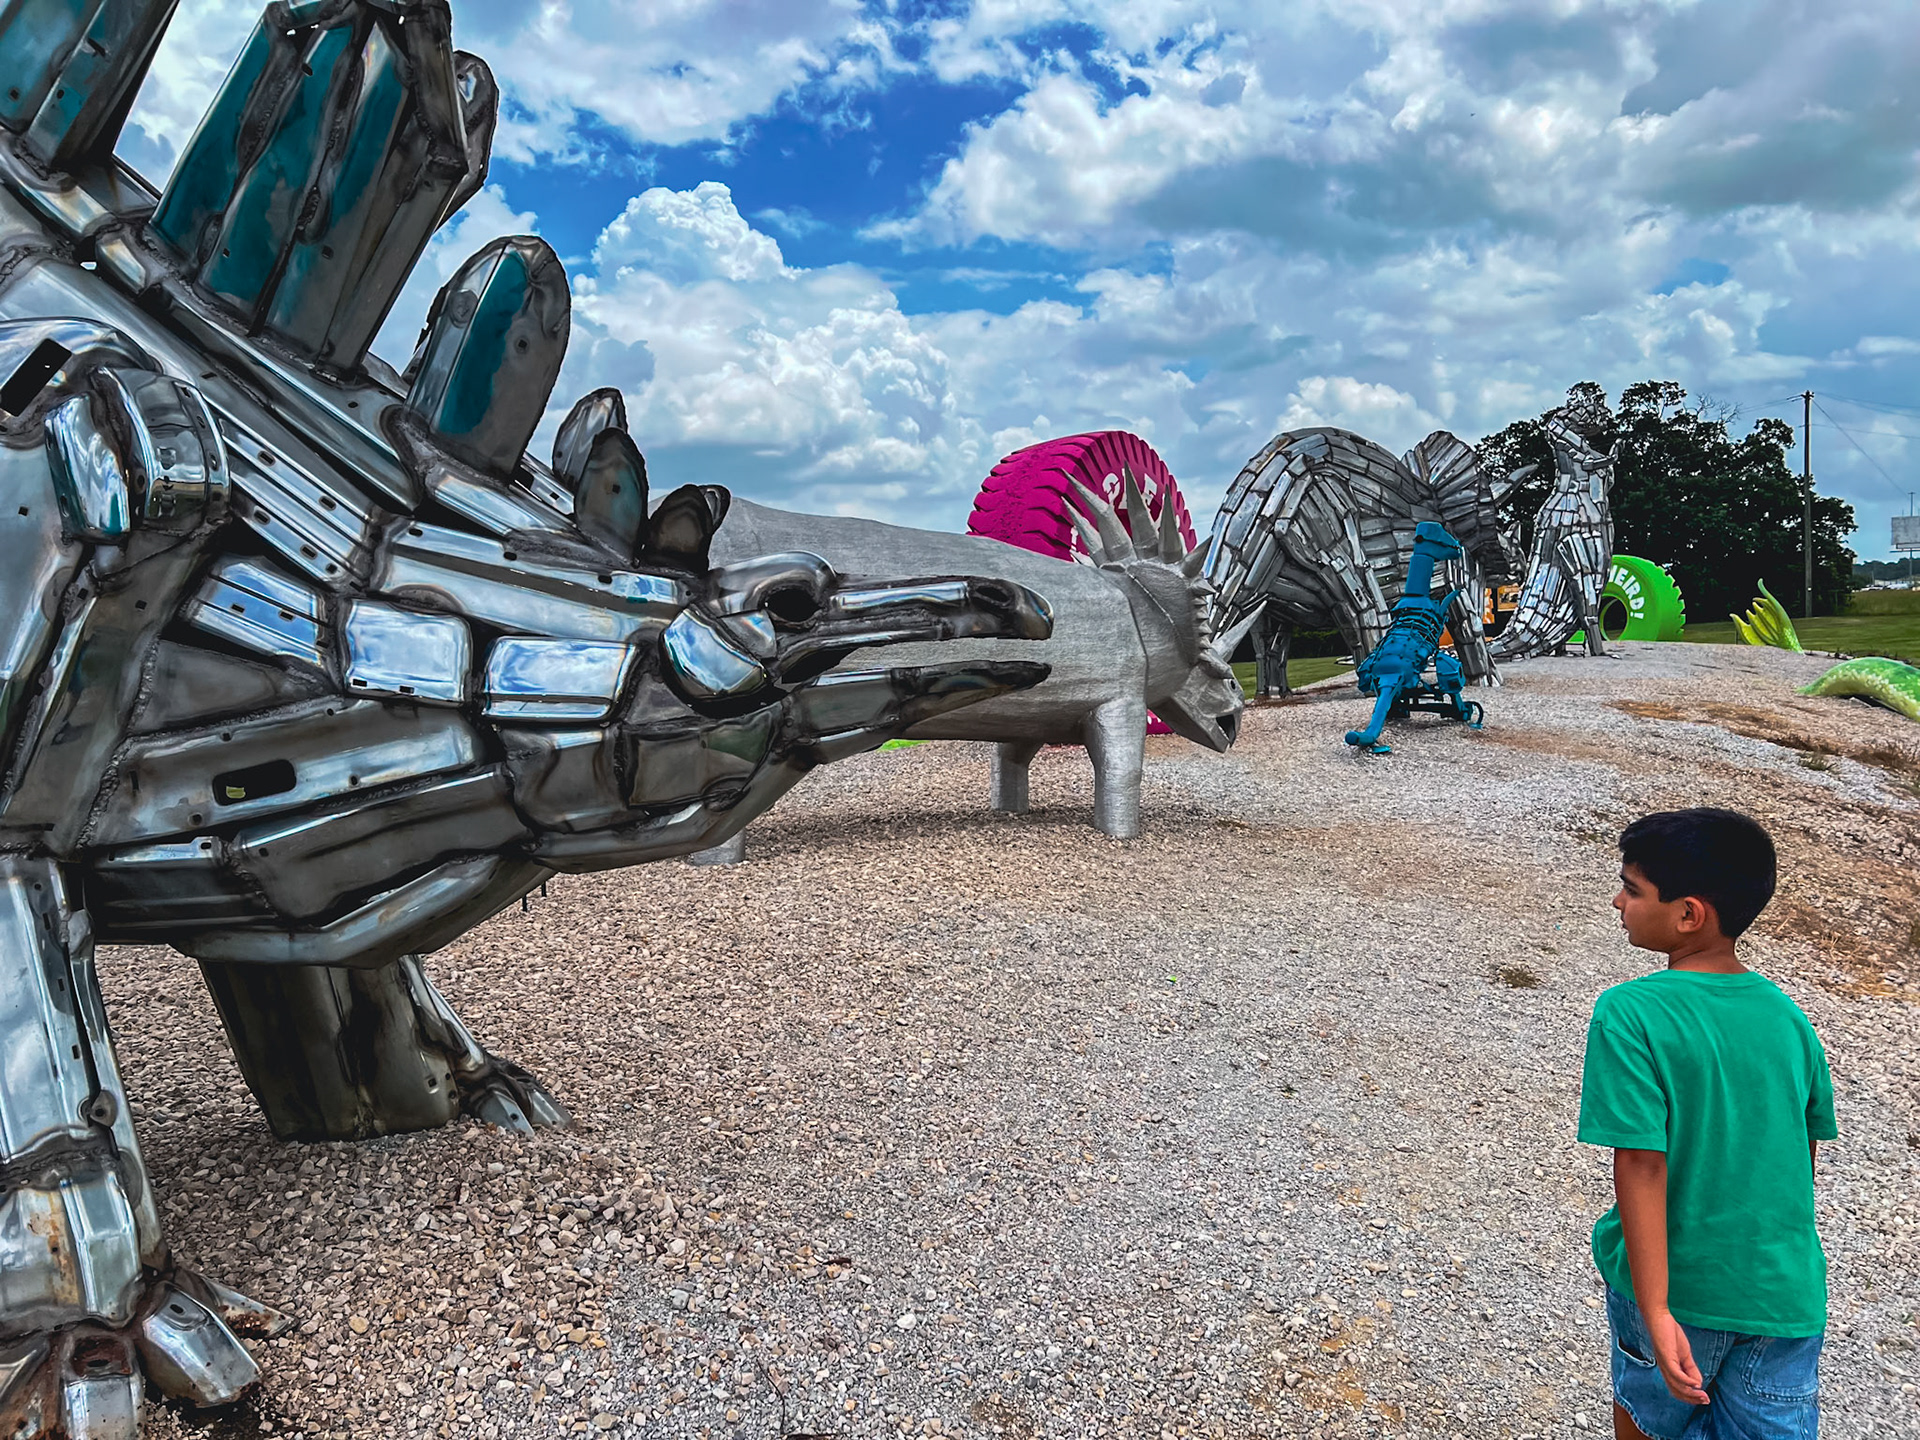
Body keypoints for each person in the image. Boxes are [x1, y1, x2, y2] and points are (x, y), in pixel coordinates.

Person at [1578, 808, 1837, 1440]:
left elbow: (1641, 1160)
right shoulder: (1788, 1018)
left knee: (1652, 1420)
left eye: (1632, 889)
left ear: (1689, 913)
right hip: (1784, 1294)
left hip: (1681, 1291)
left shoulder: (1630, 1012)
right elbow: (1800, 1161)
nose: (1618, 902)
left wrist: (1657, 1307)